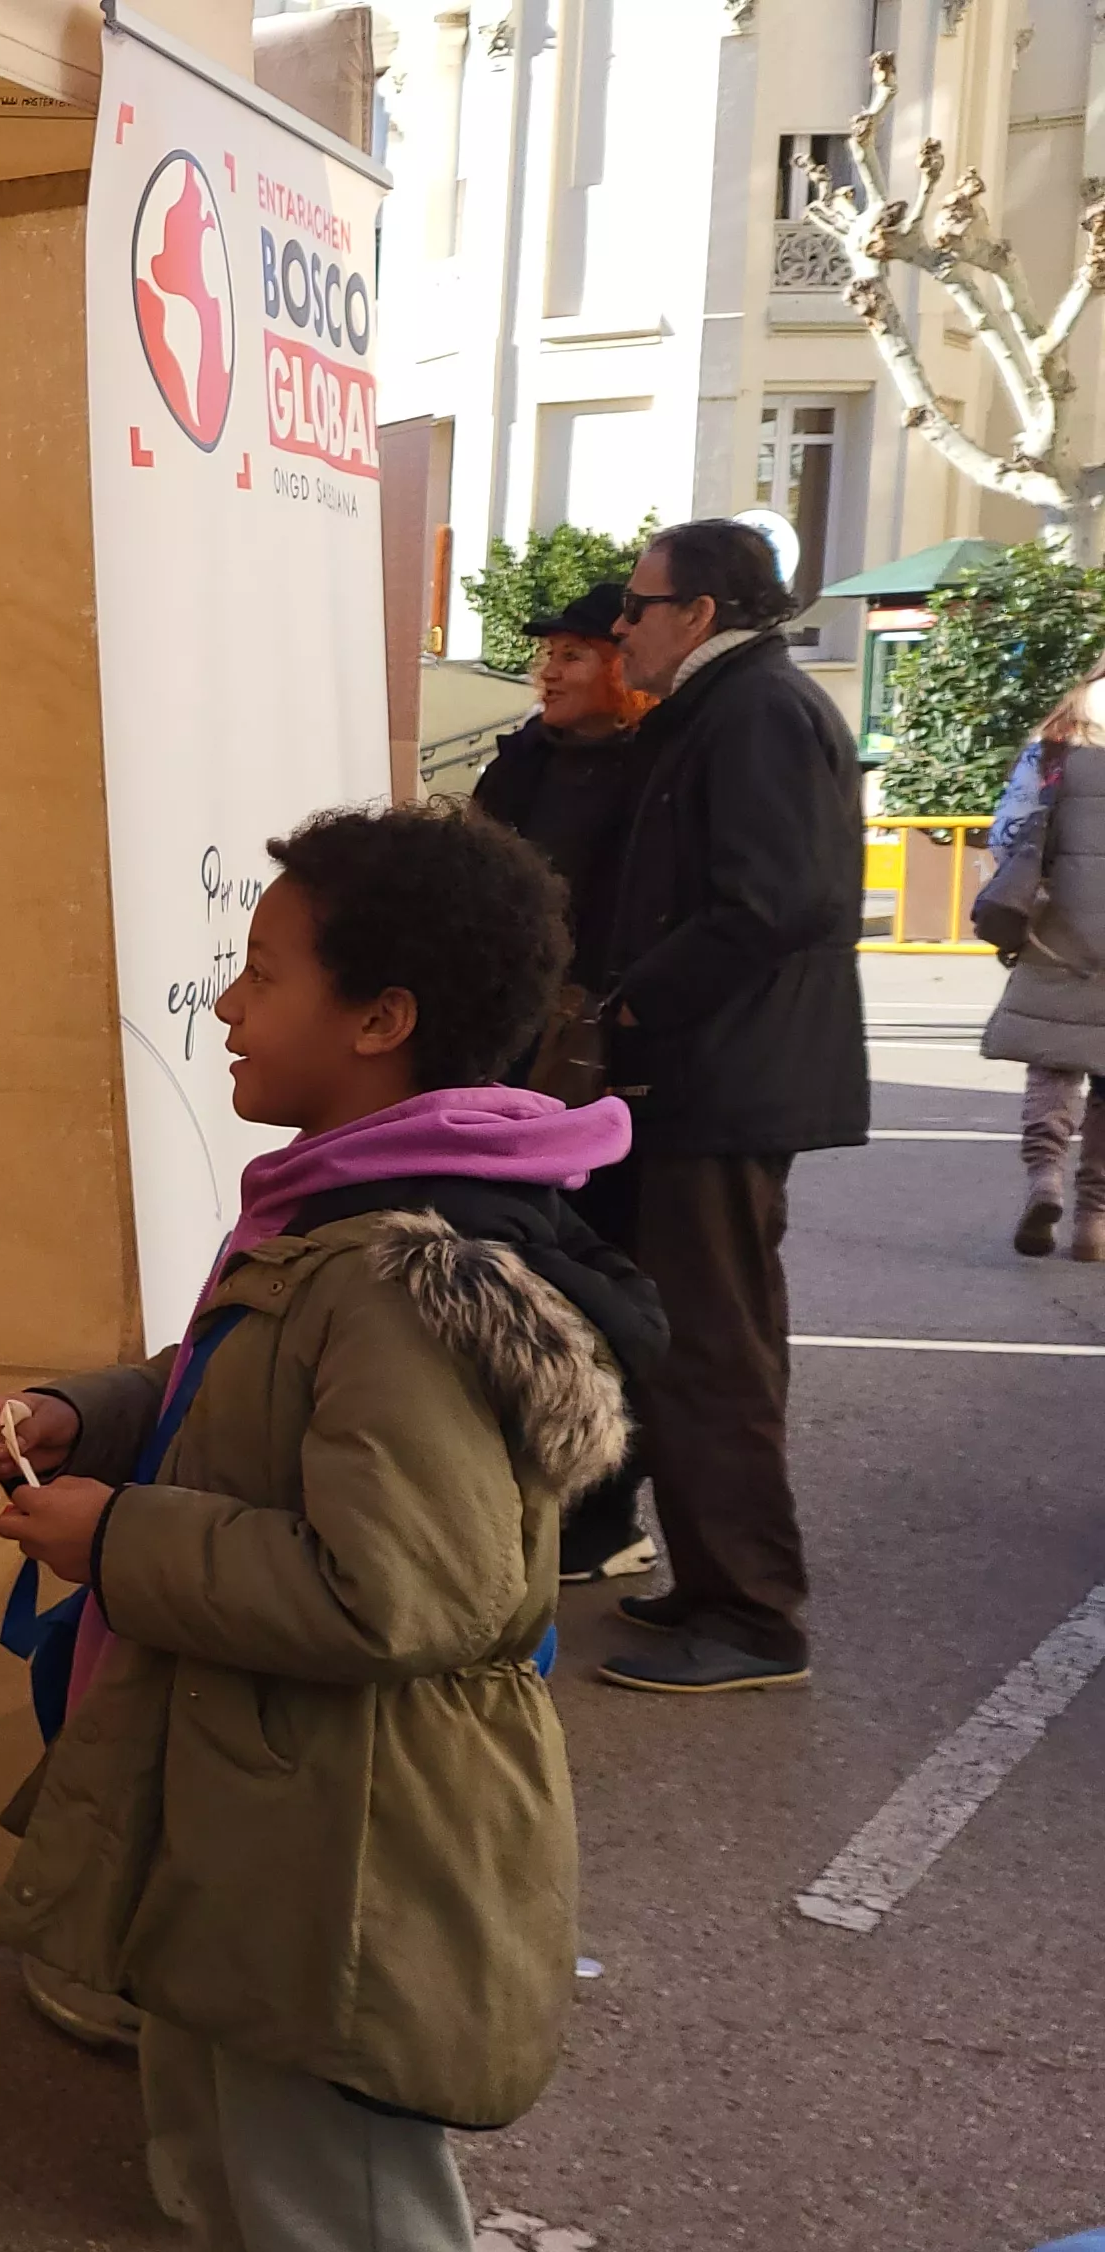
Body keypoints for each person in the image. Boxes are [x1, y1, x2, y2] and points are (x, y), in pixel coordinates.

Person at [0, 806, 660, 2252]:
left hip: (340, 1866)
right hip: (265, 1828)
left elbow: (395, 1592)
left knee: (324, 2207)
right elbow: (241, 1384)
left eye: (264, 972)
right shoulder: (343, 1222)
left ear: (381, 1019)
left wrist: (117, 1539)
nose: (225, 1001)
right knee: (227, 2181)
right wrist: (82, 1415)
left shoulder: (404, 1268)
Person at [584, 518, 869, 1694]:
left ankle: (753, 1615)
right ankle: (712, 1583)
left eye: (636, 608)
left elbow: (771, 901)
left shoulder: (755, 710)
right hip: (708, 1078)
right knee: (689, 1340)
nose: (619, 629)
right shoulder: (733, 705)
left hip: (722, 1079)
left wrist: (632, 1007)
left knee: (715, 1348)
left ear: (697, 612)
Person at [468, 580, 663, 1584]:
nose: (547, 668)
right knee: (515, 1270)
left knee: (593, 1272)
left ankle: (603, 1512)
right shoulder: (525, 758)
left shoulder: (652, 770)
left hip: (597, 1065)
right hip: (512, 1053)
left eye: (573, 653)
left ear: (624, 671)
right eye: (547, 652)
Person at [980, 669, 1105, 1258]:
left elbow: (1008, 835)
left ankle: (1044, 1179)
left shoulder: (1054, 746)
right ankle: (1094, 1220)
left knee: (1051, 1062)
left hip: (1060, 927)